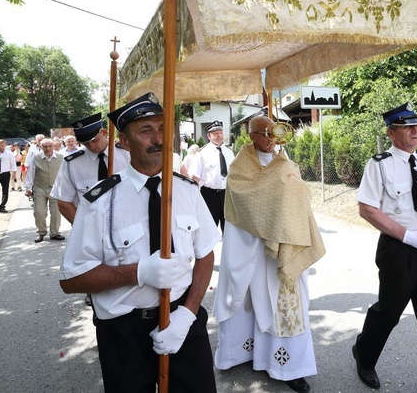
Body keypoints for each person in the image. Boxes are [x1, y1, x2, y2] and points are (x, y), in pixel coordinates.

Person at [59, 92, 221, 392]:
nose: (158, 138)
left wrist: (187, 314)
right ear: (123, 141)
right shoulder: (100, 202)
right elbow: (71, 279)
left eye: (162, 128)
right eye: (146, 131)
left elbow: (205, 254)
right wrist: (138, 272)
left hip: (183, 319)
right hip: (124, 332)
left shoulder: (187, 191)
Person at [351, 103, 417, 392]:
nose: (415, 131)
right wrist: (408, 237)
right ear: (391, 132)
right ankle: (364, 354)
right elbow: (367, 209)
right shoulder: (379, 164)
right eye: (406, 127)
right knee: (388, 312)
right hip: (399, 249)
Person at [214, 115, 325, 393]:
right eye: (264, 133)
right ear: (251, 136)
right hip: (251, 248)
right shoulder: (240, 167)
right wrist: (271, 206)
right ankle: (241, 353)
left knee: (286, 305)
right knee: (247, 300)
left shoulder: (286, 164)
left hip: (282, 249)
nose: (271, 138)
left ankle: (290, 368)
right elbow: (242, 202)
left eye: (273, 131)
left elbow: (300, 200)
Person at [51, 113, 130, 225]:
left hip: (127, 225)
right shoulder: (72, 163)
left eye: (94, 140)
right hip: (91, 226)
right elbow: (63, 202)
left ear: (104, 132)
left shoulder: (128, 154)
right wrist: (84, 229)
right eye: (85, 143)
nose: (91, 146)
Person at [189, 121, 234, 230]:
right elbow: (194, 177)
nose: (218, 136)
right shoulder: (202, 153)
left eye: (220, 133)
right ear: (209, 136)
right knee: (208, 230)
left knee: (228, 230)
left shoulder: (229, 153)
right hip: (209, 194)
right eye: (215, 134)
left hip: (226, 194)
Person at [24, 138, 65, 243]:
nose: (47, 149)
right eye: (45, 146)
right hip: (39, 187)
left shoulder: (61, 157)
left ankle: (55, 233)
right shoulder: (36, 157)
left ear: (53, 146)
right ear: (40, 147)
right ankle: (41, 232)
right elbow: (31, 173)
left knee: (56, 212)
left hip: (55, 188)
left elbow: (66, 173)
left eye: (49, 146)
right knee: (39, 211)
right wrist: (28, 188)